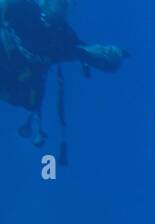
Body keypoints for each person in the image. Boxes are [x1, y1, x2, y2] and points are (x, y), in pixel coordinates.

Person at [0, 0, 127, 147]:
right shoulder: (19, 7)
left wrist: (108, 55)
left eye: (72, 3)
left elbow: (103, 60)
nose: (66, 5)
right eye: (62, 2)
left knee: (28, 100)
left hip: (17, 88)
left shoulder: (64, 36)